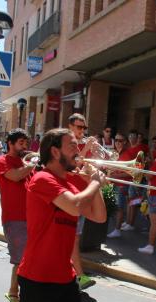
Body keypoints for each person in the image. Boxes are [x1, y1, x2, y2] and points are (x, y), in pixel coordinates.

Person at [0, 128, 112, 302]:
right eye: (73, 145)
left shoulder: (72, 181)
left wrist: (93, 183)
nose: (78, 149)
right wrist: (94, 183)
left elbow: (98, 215)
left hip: (64, 276)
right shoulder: (41, 179)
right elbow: (72, 207)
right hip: (37, 275)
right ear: (55, 151)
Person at [0, 128, 34, 302]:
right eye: (21, 143)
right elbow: (15, 176)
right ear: (10, 143)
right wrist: (33, 164)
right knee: (22, 258)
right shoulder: (2, 161)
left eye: (26, 143)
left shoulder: (25, 162)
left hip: (32, 215)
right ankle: (16, 293)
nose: (24, 146)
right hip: (14, 217)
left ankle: (14, 291)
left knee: (27, 257)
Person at [67, 113, 96, 290]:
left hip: (82, 195)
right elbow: (73, 165)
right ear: (70, 126)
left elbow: (86, 167)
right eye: (79, 127)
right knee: (73, 239)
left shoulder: (84, 144)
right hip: (70, 197)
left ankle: (72, 273)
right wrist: (86, 149)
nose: (82, 130)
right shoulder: (67, 143)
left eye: (84, 127)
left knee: (74, 238)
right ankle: (79, 275)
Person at [106, 133, 132, 239]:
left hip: (121, 185)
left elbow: (130, 173)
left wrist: (115, 176)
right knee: (116, 208)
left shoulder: (127, 155)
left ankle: (117, 230)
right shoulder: (116, 154)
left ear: (125, 142)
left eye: (120, 141)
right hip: (115, 183)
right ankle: (116, 228)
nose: (117, 142)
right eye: (116, 140)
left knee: (119, 208)